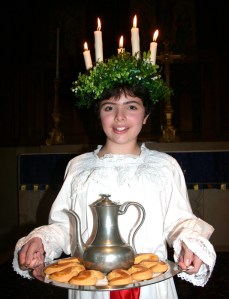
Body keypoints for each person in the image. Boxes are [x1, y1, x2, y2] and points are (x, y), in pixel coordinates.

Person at [13, 52, 216, 299]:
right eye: (109, 107)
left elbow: (178, 221)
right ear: (98, 115)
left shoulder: (165, 166)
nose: (120, 117)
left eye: (131, 106)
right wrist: (42, 242)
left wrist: (190, 243)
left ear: (146, 115)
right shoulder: (79, 167)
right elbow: (67, 226)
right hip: (91, 284)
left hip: (150, 284)